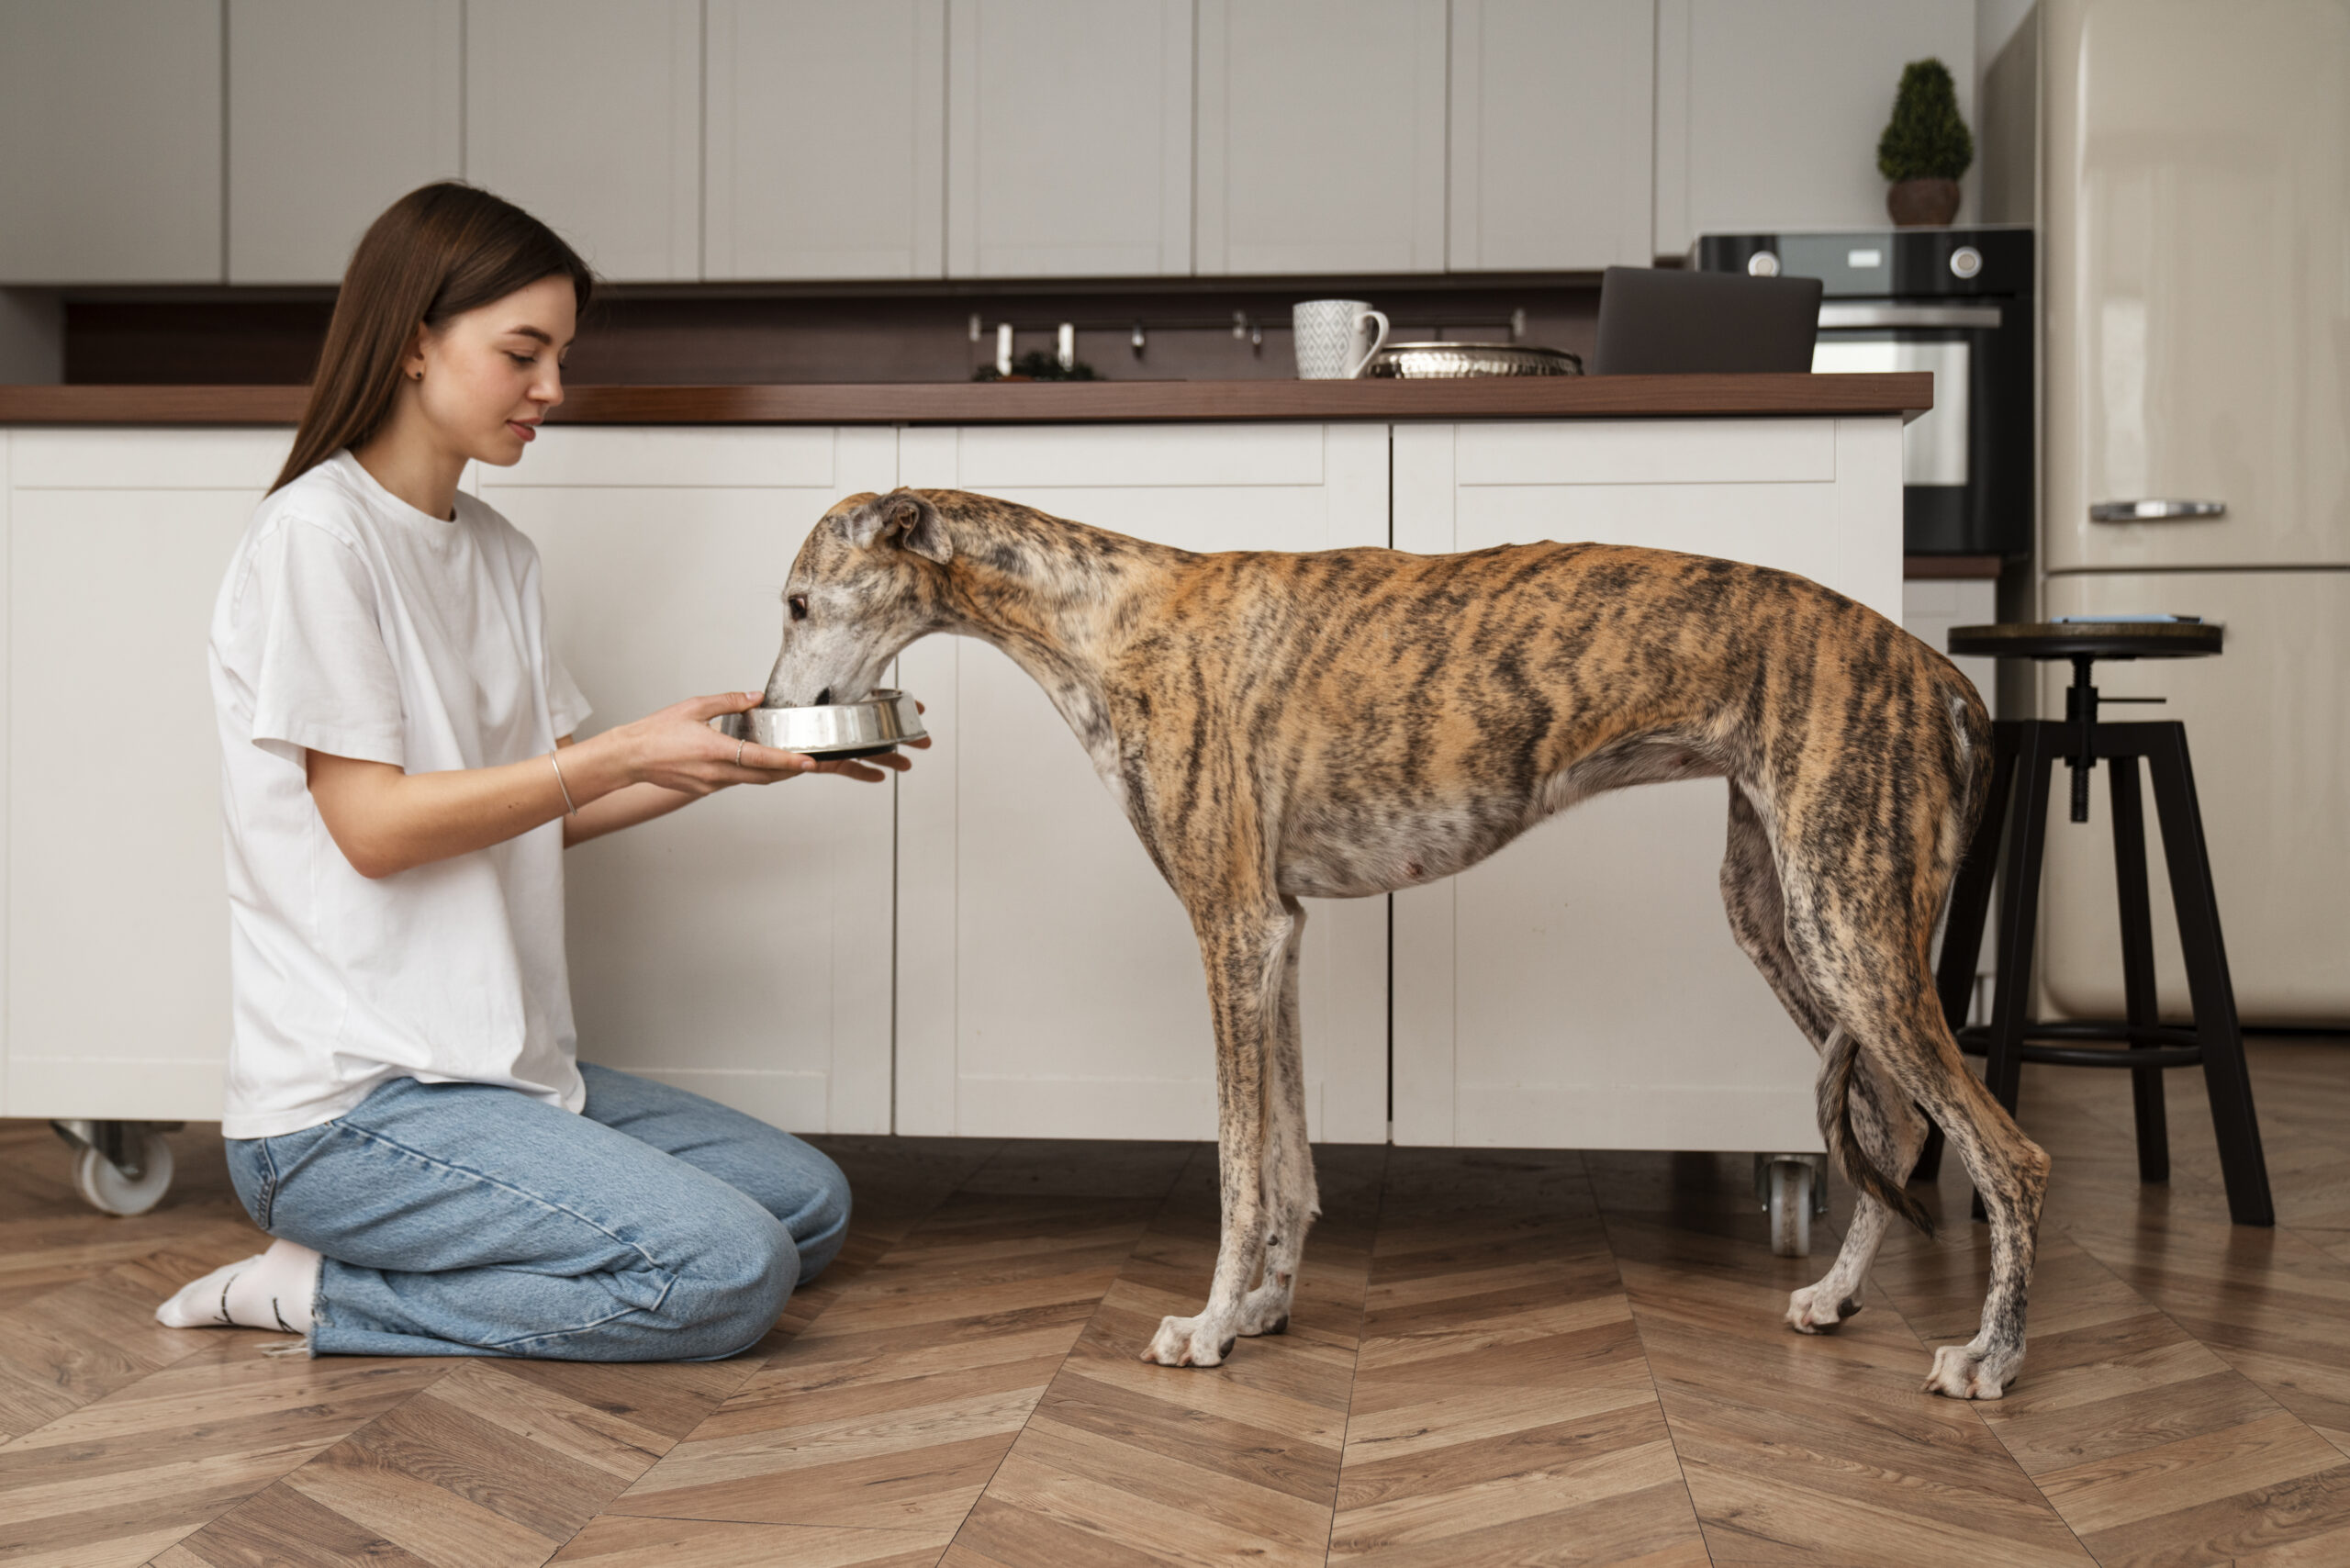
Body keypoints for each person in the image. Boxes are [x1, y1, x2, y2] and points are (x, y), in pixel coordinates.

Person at [155, 182, 906, 1360]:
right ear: (414, 341)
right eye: (523, 352)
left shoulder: (500, 553)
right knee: (726, 1268)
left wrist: (736, 759)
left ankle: (432, 1251)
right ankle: (316, 1292)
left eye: (559, 353)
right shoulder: (317, 540)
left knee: (804, 1204)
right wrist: (616, 751)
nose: (553, 388)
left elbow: (527, 813)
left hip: (499, 1069)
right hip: (349, 1109)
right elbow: (376, 829)